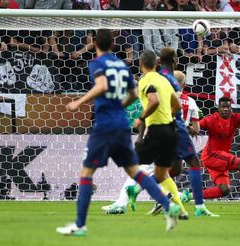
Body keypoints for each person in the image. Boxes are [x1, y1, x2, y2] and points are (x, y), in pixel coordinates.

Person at [56, 29, 180, 236]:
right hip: (121, 124)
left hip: (104, 125)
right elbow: (132, 94)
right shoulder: (122, 65)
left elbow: (102, 85)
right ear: (113, 44)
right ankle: (168, 206)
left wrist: (79, 101)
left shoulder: (97, 63)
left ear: (94, 43)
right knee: (135, 171)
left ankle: (79, 225)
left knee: (86, 173)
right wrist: (119, 108)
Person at [128, 48, 217, 218]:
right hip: (173, 127)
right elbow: (167, 104)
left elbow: (148, 103)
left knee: (172, 170)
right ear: (175, 60)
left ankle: (139, 189)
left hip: (161, 127)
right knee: (192, 163)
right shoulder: (170, 81)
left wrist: (142, 129)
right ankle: (198, 206)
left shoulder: (155, 77)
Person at [130, 49, 184, 221]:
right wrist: (167, 114)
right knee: (161, 175)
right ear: (156, 63)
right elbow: (178, 105)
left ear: (140, 64)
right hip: (171, 131)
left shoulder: (146, 80)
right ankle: (181, 211)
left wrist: (141, 118)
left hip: (157, 131)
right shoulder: (165, 80)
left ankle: (164, 198)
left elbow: (154, 101)